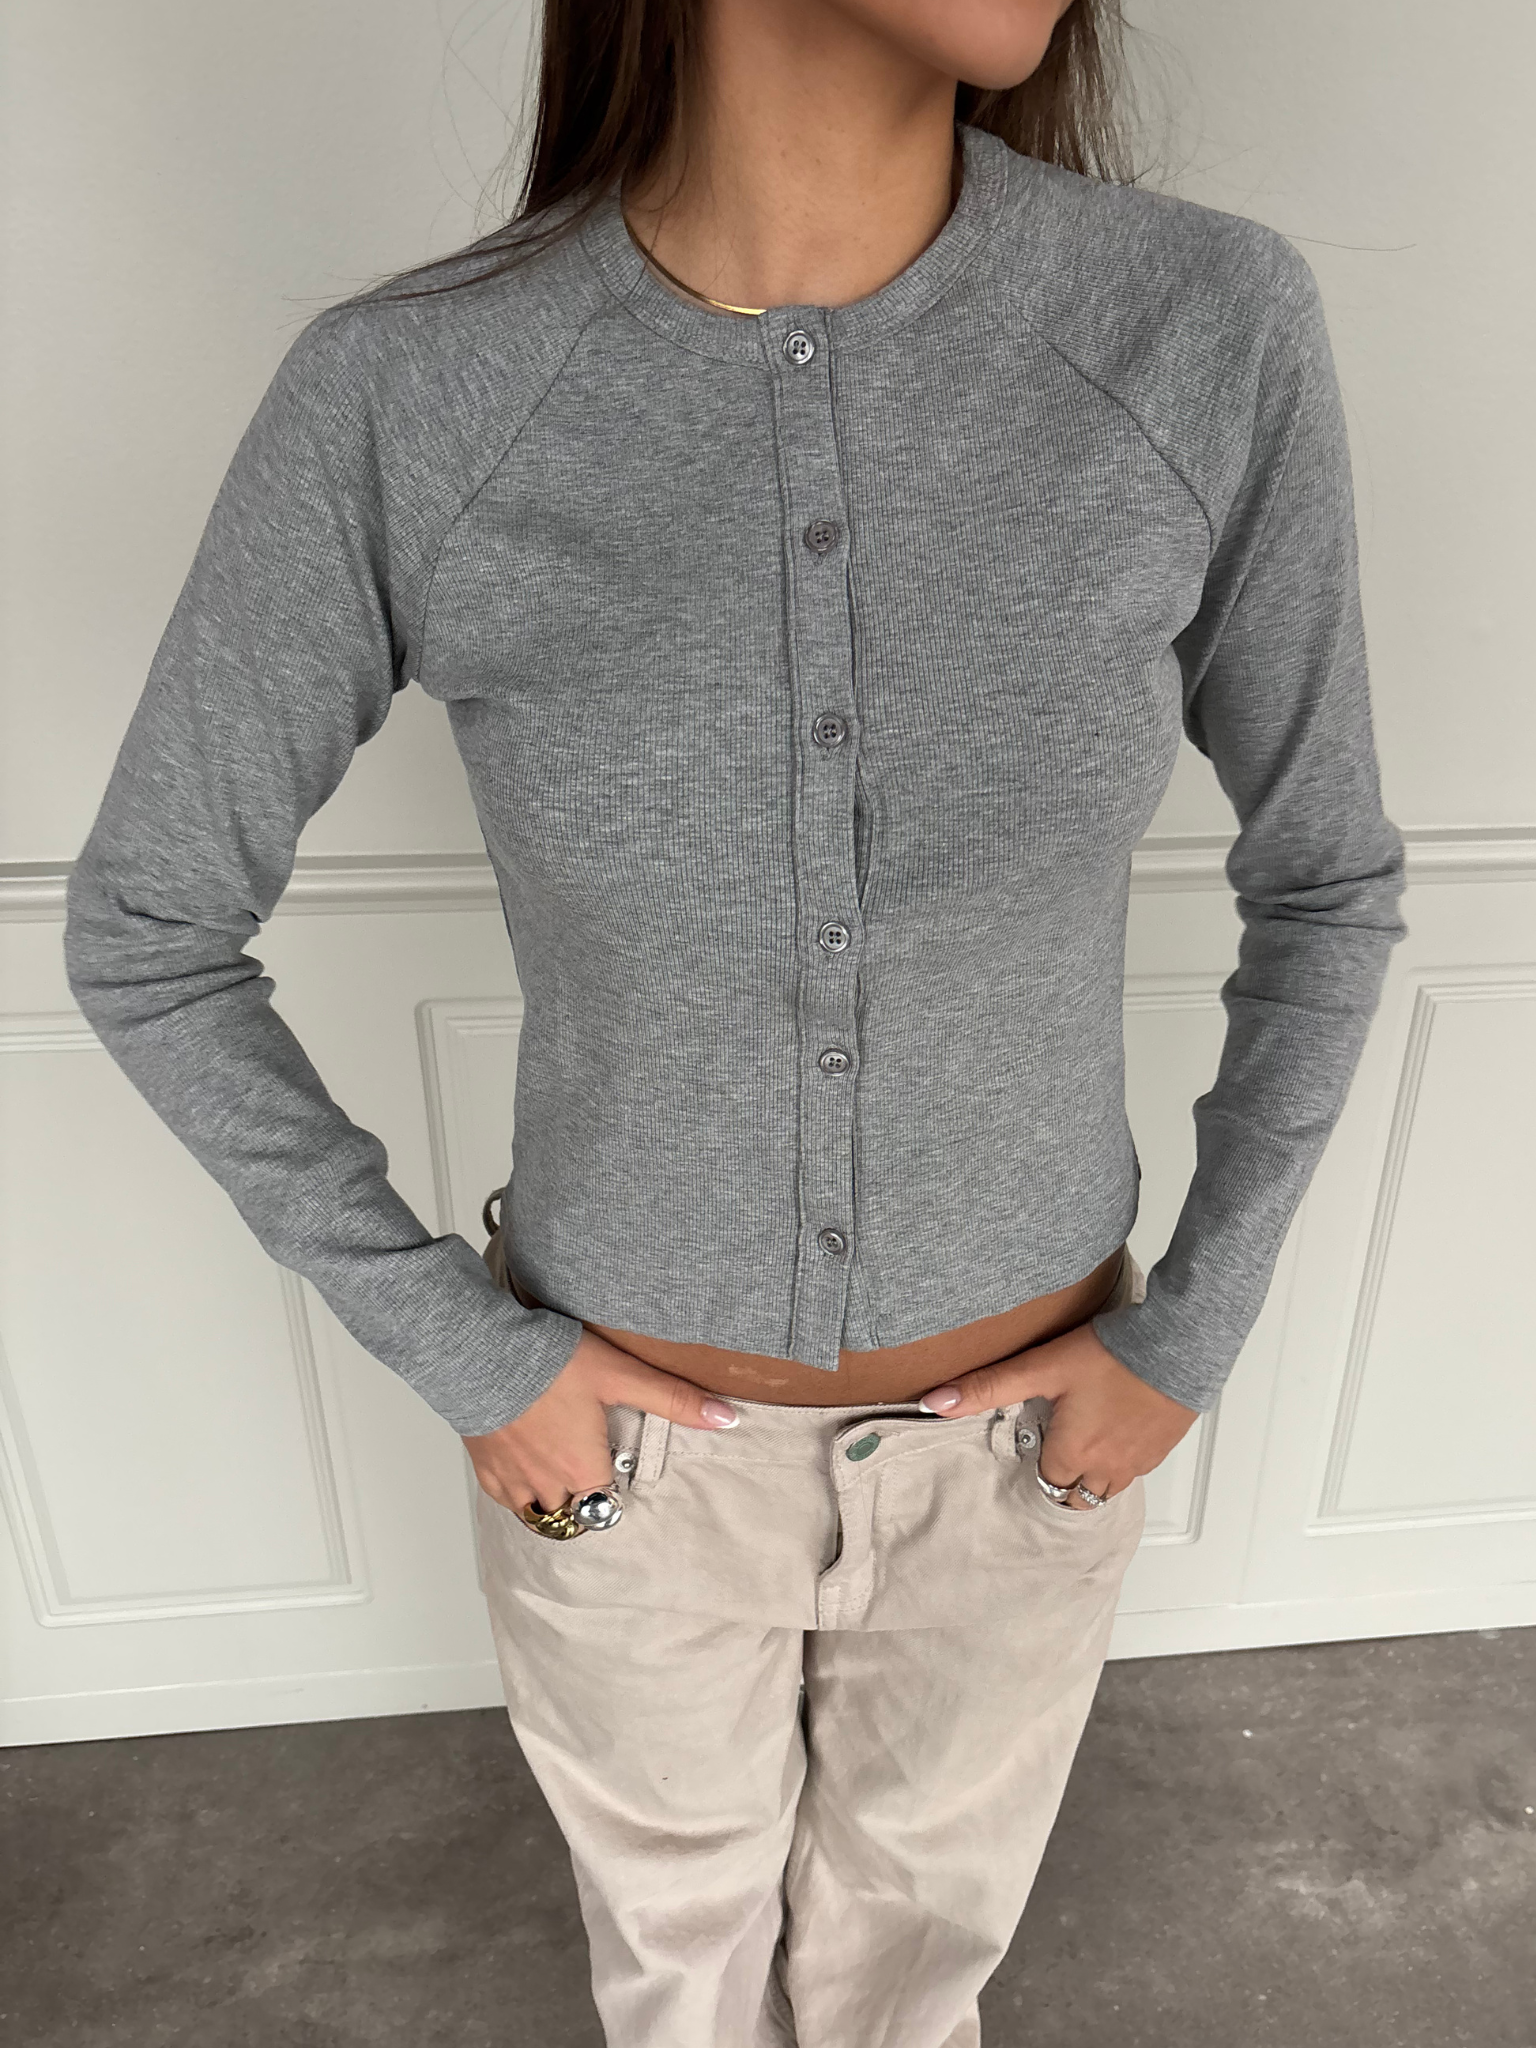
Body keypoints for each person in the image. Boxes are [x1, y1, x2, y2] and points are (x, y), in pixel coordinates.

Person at [62, 0, 1408, 2041]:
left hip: (1030, 1455)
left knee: (913, 1986)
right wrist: (469, 1356)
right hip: (623, 1473)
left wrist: (1187, 1339)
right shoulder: (419, 390)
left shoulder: (1197, 325)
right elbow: (148, 927)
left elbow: (1327, 881)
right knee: (676, 1985)